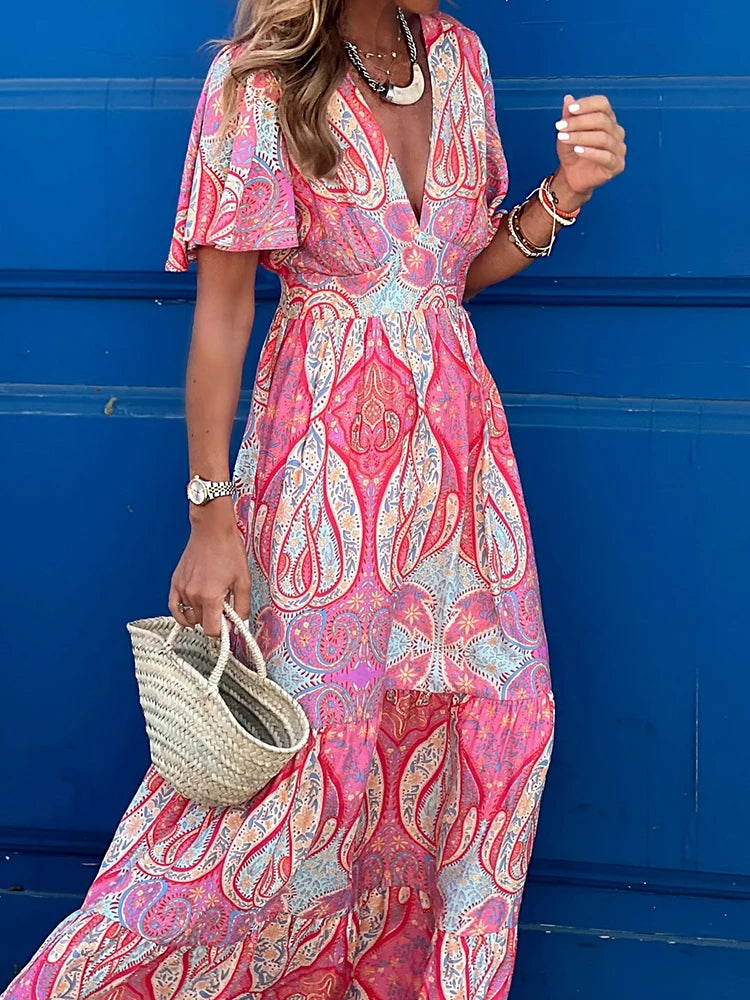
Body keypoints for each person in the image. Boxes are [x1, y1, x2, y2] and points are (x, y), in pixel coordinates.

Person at [2, 1, 625, 997]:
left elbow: (443, 275)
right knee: (299, 768)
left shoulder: (460, 58)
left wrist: (565, 192)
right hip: (322, 469)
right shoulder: (257, 83)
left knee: (489, 736)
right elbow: (222, 316)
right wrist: (213, 515)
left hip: (463, 479)